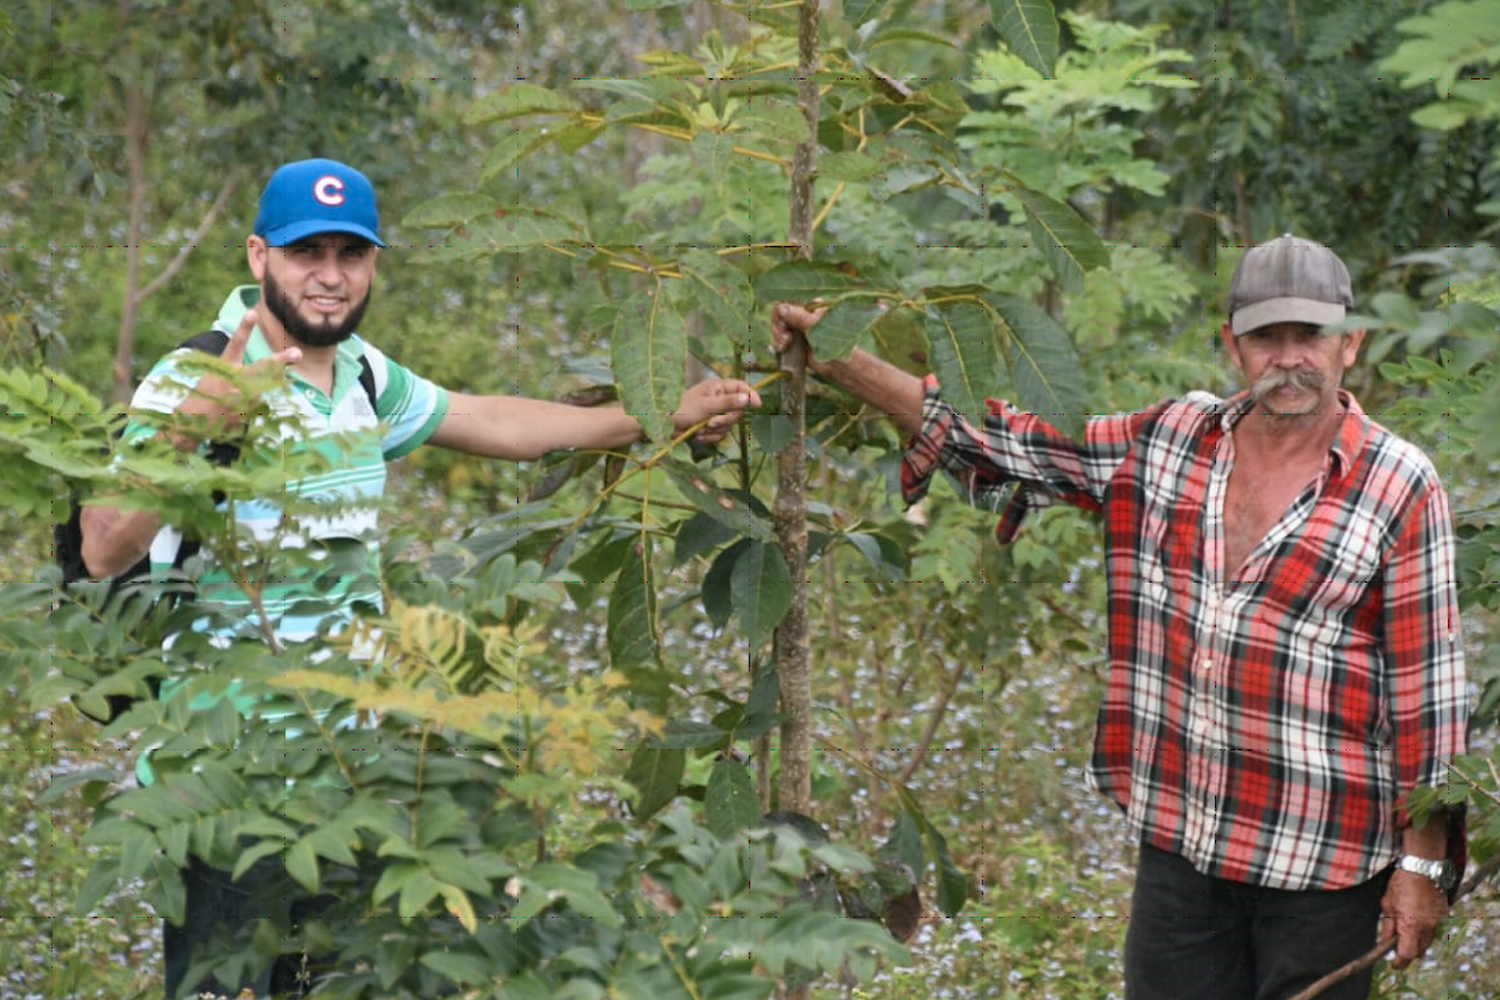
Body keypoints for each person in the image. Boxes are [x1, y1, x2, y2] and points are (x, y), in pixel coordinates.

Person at [81, 157, 760, 998]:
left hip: (352, 784)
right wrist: (197, 424)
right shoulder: (196, 374)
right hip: (222, 797)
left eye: (351, 255)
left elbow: (492, 419)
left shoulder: (362, 373)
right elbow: (104, 545)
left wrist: (662, 414)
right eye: (306, 254)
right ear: (259, 258)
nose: (331, 277)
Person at [771, 234, 1468, 1000]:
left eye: (1312, 335)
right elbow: (1008, 442)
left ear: (1351, 343)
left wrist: (1422, 866)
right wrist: (839, 357)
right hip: (1181, 844)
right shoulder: (1169, 440)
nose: (1290, 357)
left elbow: (1426, 694)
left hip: (1322, 865)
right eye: (1268, 336)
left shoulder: (1399, 484)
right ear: (1232, 344)